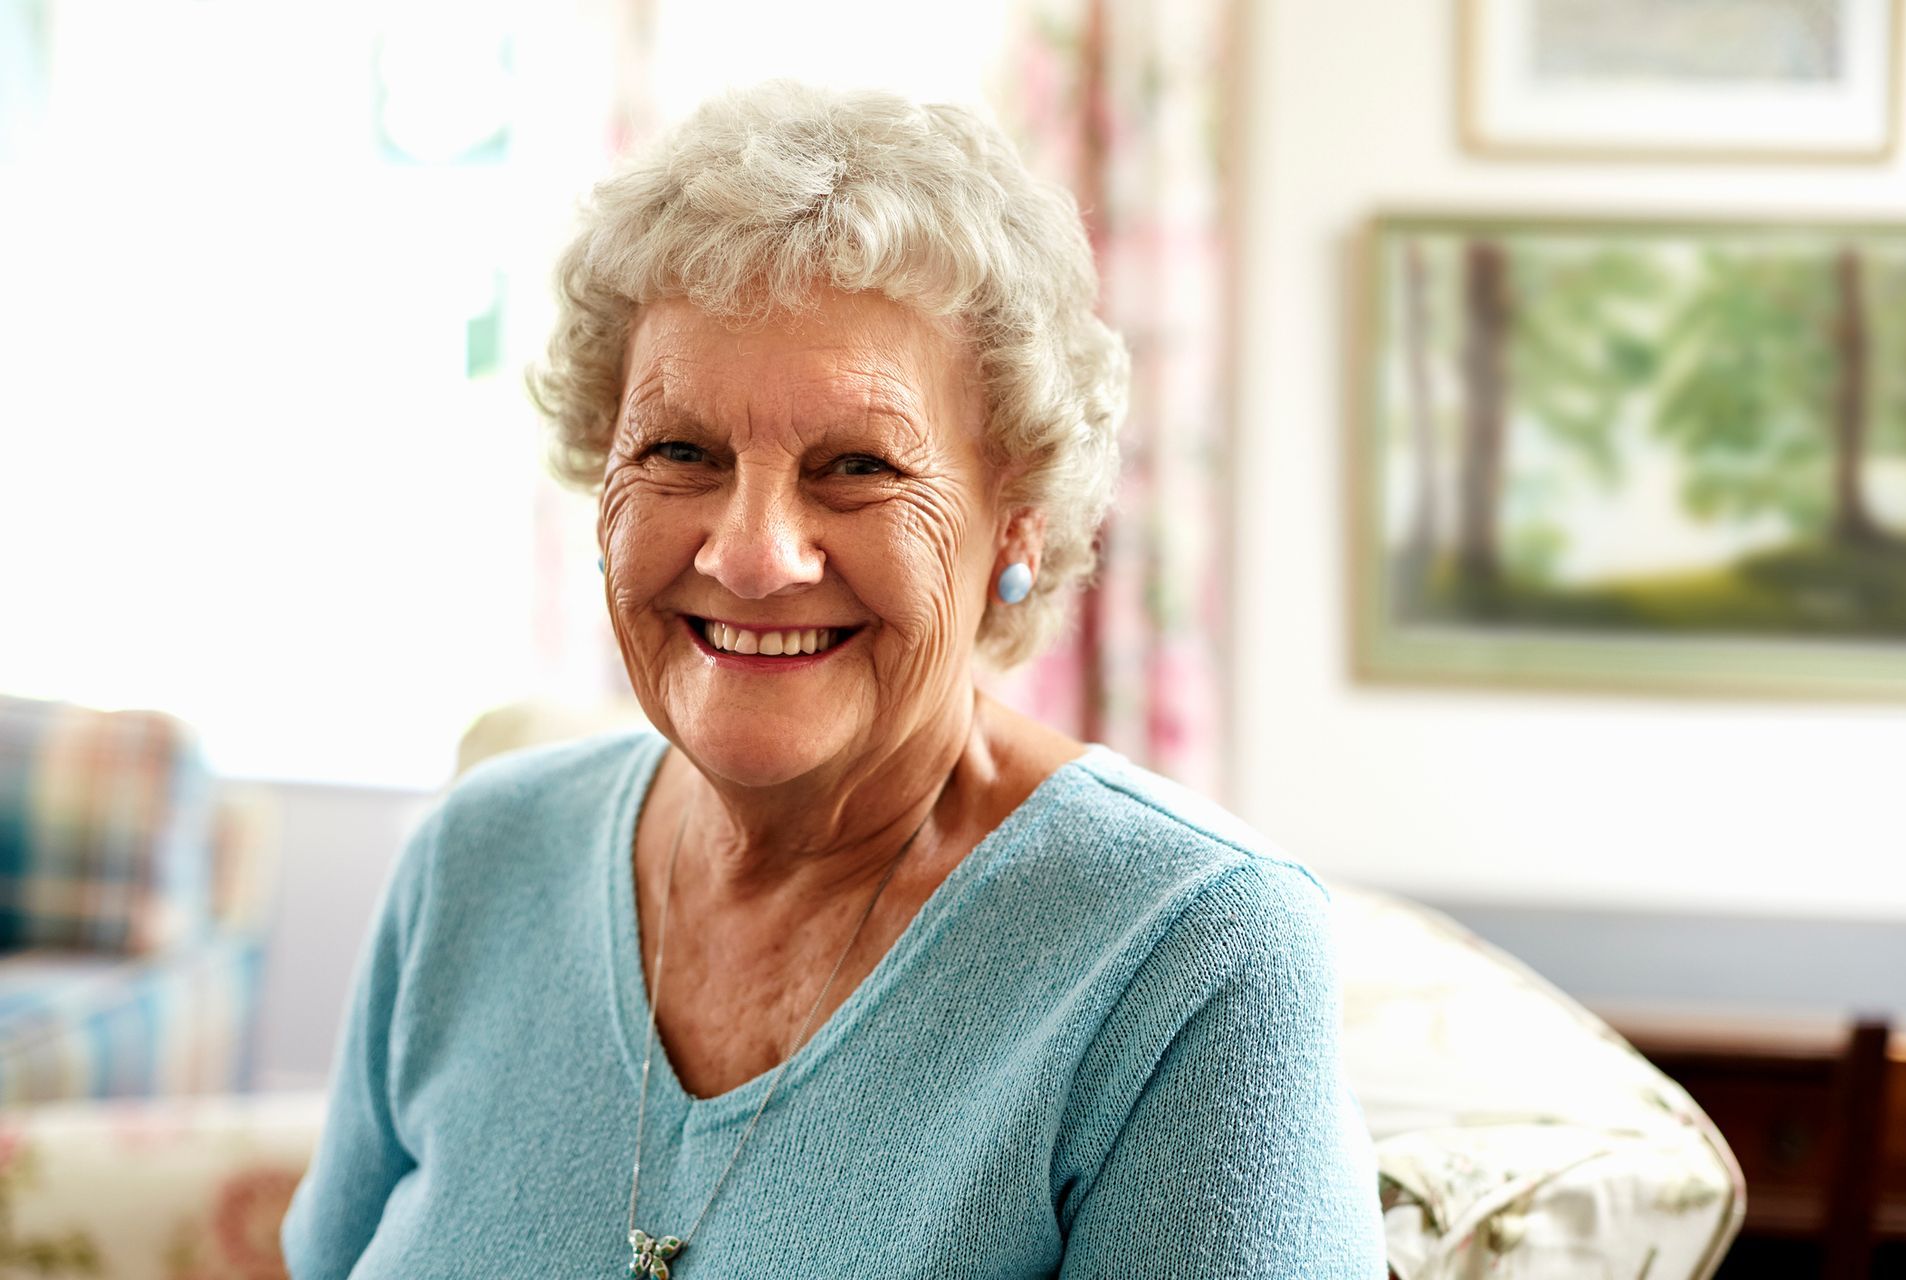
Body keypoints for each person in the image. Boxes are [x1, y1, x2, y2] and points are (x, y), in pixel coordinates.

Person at [281, 80, 1385, 1278]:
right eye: (680, 451)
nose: (753, 553)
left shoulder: (1191, 959)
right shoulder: (477, 858)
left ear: (1013, 523)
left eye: (857, 464)